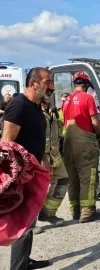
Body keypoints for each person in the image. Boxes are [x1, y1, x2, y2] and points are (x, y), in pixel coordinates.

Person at [1, 67, 54, 269]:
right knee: (23, 221)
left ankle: (24, 260)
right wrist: (13, 180)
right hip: (21, 175)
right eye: (47, 82)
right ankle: (18, 266)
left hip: (33, 170)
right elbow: (7, 144)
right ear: (33, 83)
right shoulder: (18, 106)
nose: (52, 87)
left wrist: (44, 161)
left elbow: (36, 139)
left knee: (30, 219)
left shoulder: (35, 106)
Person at [62, 71, 100, 223]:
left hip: (68, 142)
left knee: (73, 177)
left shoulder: (66, 99)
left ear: (74, 83)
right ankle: (87, 213)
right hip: (84, 141)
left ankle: (75, 211)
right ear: (87, 84)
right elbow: (95, 122)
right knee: (88, 176)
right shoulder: (88, 98)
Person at [37, 95, 69, 225]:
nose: (49, 96)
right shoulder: (34, 111)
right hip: (39, 156)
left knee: (62, 180)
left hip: (54, 154)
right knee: (38, 189)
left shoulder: (53, 110)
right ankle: (30, 224)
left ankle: (48, 214)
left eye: (50, 94)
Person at [58, 92, 70, 158]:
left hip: (70, 139)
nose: (63, 103)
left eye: (64, 101)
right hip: (60, 139)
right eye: (62, 101)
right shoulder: (58, 112)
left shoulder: (73, 112)